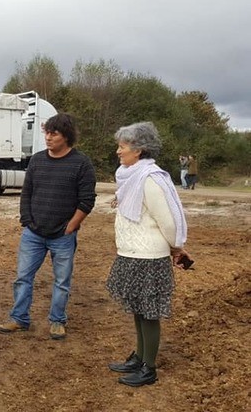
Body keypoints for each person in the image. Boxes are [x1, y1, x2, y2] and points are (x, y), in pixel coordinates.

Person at [106, 122, 192, 387]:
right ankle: (139, 357)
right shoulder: (132, 176)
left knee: (149, 312)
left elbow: (168, 221)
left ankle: (149, 369)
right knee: (137, 309)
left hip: (149, 258)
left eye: (123, 147)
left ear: (139, 150)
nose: (118, 151)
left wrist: (176, 247)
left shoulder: (151, 178)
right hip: (131, 254)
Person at [0, 113, 96, 340]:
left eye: (54, 133)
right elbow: (27, 192)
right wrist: (27, 220)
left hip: (63, 235)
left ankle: (57, 321)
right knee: (23, 277)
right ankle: (19, 318)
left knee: (61, 281)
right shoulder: (37, 160)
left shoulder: (81, 164)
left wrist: (71, 226)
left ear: (66, 136)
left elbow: (87, 200)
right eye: (47, 133)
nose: (48, 137)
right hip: (33, 233)